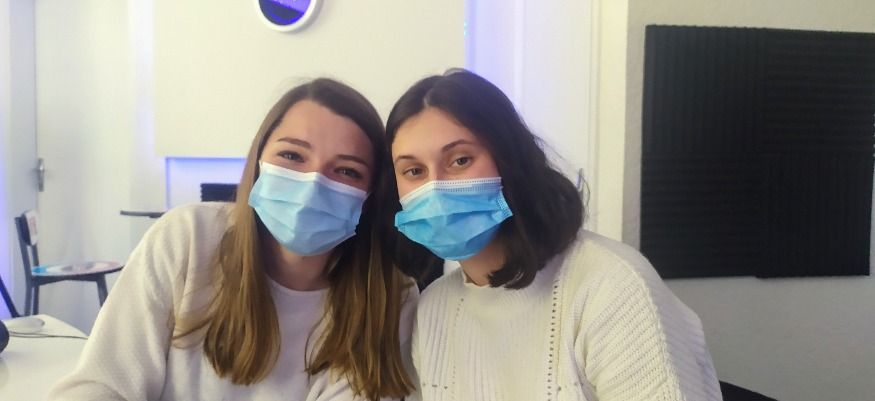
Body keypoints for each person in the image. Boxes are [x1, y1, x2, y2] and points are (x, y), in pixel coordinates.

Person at [48, 78, 419, 401]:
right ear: (257, 161)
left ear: (371, 194)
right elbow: (99, 385)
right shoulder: (187, 239)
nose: (313, 184)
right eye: (292, 155)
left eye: (346, 171)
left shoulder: (389, 297)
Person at [385, 69, 722, 401]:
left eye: (460, 160)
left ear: (509, 160)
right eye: (414, 171)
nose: (435, 189)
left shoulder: (611, 286)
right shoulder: (434, 309)